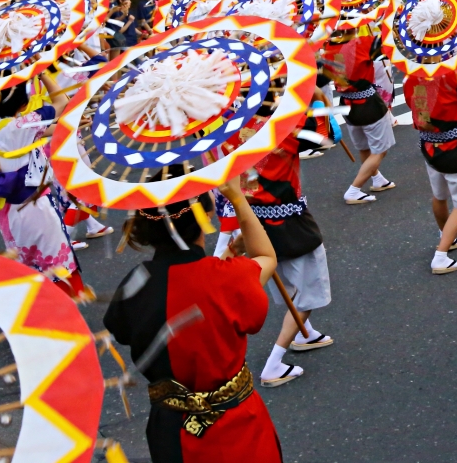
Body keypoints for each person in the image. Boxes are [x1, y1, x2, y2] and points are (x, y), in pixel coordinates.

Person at [104, 180, 284, 463]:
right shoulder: (228, 278)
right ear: (206, 215)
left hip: (170, 430)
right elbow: (266, 256)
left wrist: (228, 258)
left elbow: (127, 326)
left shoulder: (134, 284)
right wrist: (237, 197)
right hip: (237, 426)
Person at [238, 120, 335, 386]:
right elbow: (321, 138)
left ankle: (304, 333)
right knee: (307, 293)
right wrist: (316, 99)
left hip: (255, 218)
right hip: (290, 218)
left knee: (288, 281)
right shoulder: (282, 127)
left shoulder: (232, 129)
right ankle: (273, 363)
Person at [0, 78, 85, 297]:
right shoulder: (21, 126)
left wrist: (66, 125)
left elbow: (40, 132)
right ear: (23, 103)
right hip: (34, 207)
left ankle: (30, 311)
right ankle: (57, 309)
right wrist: (42, 72)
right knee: (53, 261)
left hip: (10, 209)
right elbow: (61, 100)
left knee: (26, 263)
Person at [403, 58, 457, 274]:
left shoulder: (410, 76)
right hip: (454, 146)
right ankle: (440, 256)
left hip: (429, 143)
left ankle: (446, 236)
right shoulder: (450, 75)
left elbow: (417, 106)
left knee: (439, 195)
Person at [322, 31, 396, 204]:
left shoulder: (327, 46)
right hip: (368, 102)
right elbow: (386, 48)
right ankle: (354, 190)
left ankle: (377, 179)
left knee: (364, 147)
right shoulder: (363, 43)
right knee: (380, 150)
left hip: (347, 102)